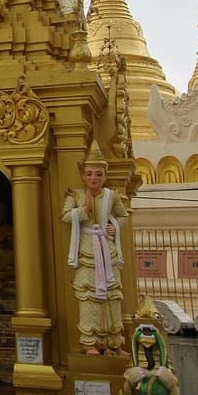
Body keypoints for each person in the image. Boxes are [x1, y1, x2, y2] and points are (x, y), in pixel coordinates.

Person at [62, 142, 129, 355]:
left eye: (98, 174)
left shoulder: (112, 196)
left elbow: (124, 216)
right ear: (83, 175)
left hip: (107, 251)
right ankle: (90, 342)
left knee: (112, 297)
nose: (93, 178)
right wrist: (83, 210)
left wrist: (114, 227)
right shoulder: (76, 195)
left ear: (104, 176)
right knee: (88, 297)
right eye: (89, 173)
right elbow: (65, 216)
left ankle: (115, 342)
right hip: (87, 251)